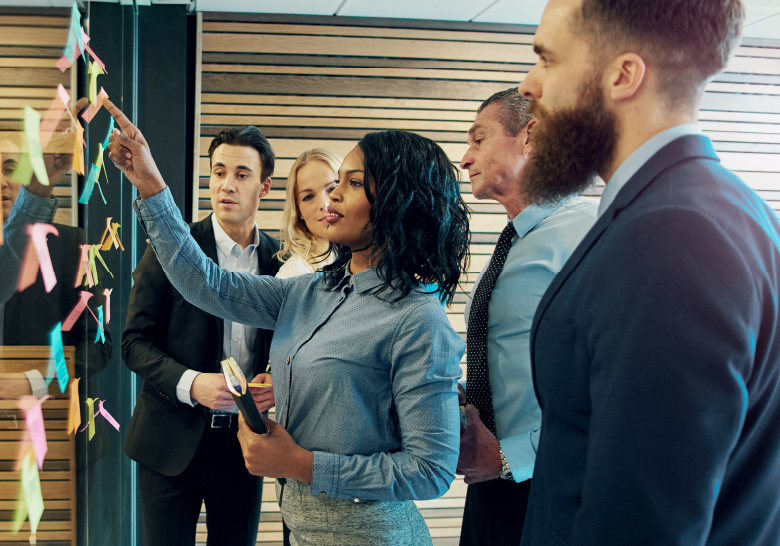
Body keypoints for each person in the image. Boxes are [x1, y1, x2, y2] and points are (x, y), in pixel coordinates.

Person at [103, 96, 469, 545]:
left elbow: (430, 470)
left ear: (396, 203)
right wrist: (151, 186)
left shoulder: (418, 319)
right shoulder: (310, 290)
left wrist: (301, 464)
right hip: (301, 530)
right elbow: (206, 284)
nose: (332, 195)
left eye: (351, 184)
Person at [517, 0, 780, 544]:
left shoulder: (672, 236)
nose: (528, 84)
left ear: (622, 75)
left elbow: (642, 524)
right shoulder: (726, 207)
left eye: (547, 59)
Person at [121, 126, 280, 546]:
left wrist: (276, 381)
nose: (226, 185)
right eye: (219, 172)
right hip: (169, 441)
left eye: (242, 174)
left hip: (245, 444)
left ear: (265, 186)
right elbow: (133, 344)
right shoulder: (175, 247)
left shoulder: (282, 262)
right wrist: (193, 384)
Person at [455, 88, 597, 545]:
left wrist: (511, 457)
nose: (465, 158)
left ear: (530, 137)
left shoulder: (588, 234)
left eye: (478, 139)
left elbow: (617, 383)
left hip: (551, 489)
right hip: (489, 487)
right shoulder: (510, 244)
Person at [1, 136, 112, 399]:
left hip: (54, 420)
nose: (2, 182)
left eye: (10, 169)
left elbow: (98, 344)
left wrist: (36, 381)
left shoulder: (71, 244)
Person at [276, 148, 342, 278]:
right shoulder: (294, 273)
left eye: (332, 189)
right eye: (308, 197)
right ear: (298, 210)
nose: (324, 205)